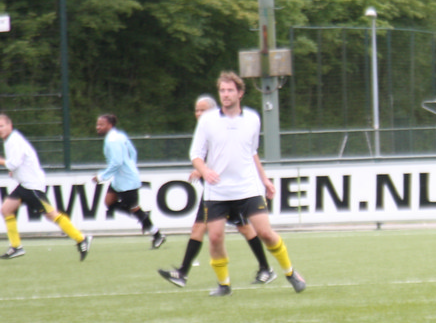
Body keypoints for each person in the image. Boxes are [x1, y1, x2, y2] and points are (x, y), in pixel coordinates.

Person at [188, 72, 306, 296]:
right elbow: (196, 155)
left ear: (240, 93)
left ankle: (290, 273)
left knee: (265, 233)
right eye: (222, 90)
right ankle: (224, 285)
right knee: (215, 237)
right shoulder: (207, 121)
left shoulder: (252, 118)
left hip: (247, 188)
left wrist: (264, 179)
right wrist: (205, 171)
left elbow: (251, 152)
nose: (225, 94)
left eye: (230, 90)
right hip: (217, 191)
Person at [158, 95, 276, 288]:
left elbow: (235, 157)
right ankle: (182, 272)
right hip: (214, 192)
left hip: (230, 191)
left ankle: (265, 268)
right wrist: (202, 169)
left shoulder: (223, 127)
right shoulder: (205, 129)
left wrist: (203, 170)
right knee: (199, 228)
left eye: (203, 110)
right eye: (196, 110)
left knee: (244, 228)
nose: (198, 114)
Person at [0, 113, 91, 260]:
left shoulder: (14, 141)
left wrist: (5, 163)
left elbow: (13, 164)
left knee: (51, 214)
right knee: (6, 209)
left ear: (10, 126)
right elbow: (19, 162)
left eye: (1, 126)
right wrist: (13, 170)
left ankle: (81, 238)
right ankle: (16, 247)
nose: (0, 129)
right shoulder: (9, 140)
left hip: (32, 186)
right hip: (25, 185)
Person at [92, 114, 165, 249]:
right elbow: (133, 152)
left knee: (133, 208)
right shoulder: (119, 136)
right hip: (120, 179)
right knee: (109, 202)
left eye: (101, 125)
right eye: (98, 124)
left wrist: (101, 177)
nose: (98, 127)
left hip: (126, 181)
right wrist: (131, 166)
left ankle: (156, 234)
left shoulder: (112, 140)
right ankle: (142, 217)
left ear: (110, 125)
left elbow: (117, 162)